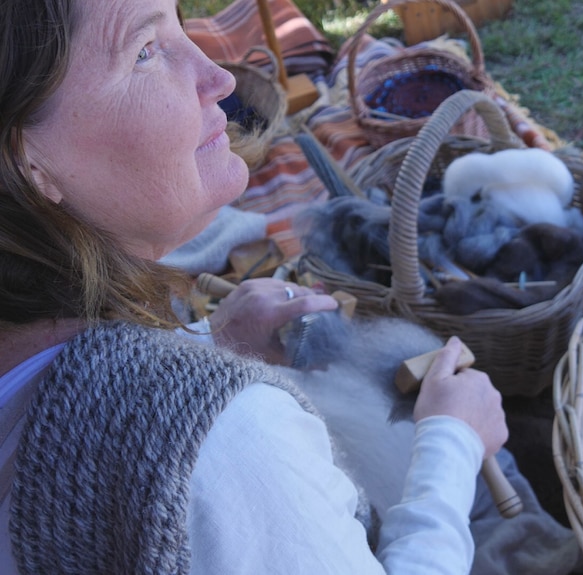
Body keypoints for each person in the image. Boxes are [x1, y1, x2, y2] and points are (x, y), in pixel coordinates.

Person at [0, 0, 509, 572]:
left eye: (178, 20)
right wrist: (451, 444)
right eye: (144, 52)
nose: (217, 77)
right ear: (27, 165)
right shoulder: (222, 443)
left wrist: (208, 339)